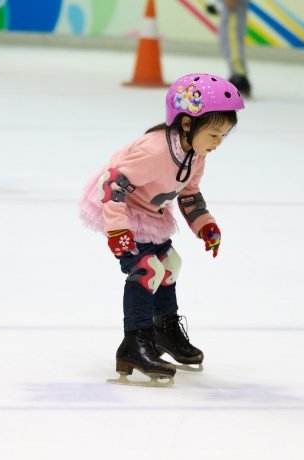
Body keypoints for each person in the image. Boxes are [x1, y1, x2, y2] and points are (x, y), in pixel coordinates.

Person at [79, 73, 244, 384]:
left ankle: (163, 330)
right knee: (147, 270)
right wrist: (117, 231)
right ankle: (134, 343)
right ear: (186, 124)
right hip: (120, 209)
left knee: (169, 265)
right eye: (213, 134)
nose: (218, 144)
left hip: (149, 211)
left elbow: (190, 193)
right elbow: (113, 184)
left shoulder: (195, 154)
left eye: (224, 136)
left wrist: (204, 224)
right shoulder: (155, 152)